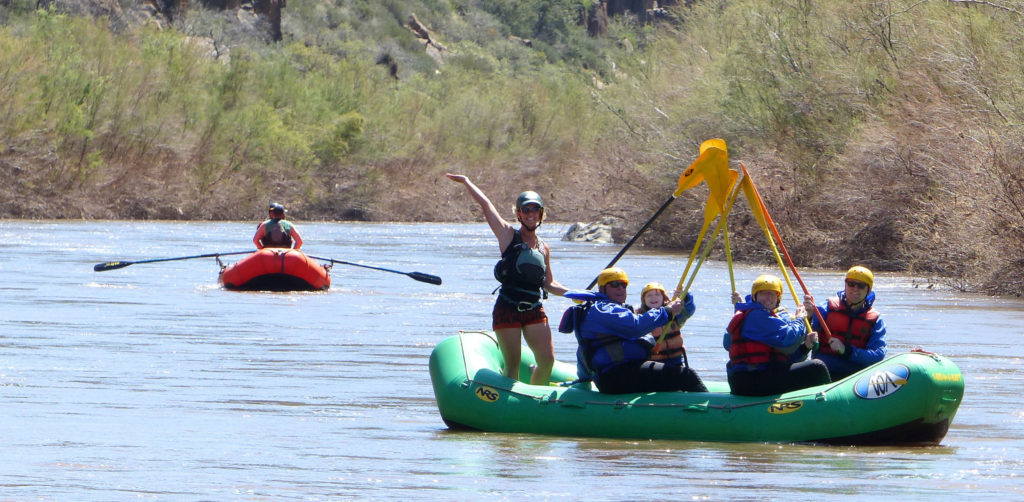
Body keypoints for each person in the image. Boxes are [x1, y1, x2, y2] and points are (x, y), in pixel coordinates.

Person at [446, 174, 568, 385]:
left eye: (535, 209)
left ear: (541, 213)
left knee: (547, 361)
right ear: (519, 213)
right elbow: (486, 205)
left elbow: (549, 284)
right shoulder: (507, 235)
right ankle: (512, 405)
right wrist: (467, 181)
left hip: (534, 309)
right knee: (512, 364)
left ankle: (535, 402)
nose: (531, 213)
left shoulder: (543, 247)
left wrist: (577, 295)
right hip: (508, 308)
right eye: (526, 209)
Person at [566, 268, 707, 394]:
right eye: (614, 284)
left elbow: (584, 350)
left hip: (623, 373)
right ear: (602, 288)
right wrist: (668, 311)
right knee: (687, 376)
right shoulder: (603, 309)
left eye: (624, 285)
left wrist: (584, 378)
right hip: (617, 376)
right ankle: (717, 412)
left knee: (674, 378)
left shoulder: (614, 309)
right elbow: (636, 327)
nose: (620, 288)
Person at [724, 275, 830, 397]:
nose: (768, 297)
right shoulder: (756, 316)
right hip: (751, 381)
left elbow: (781, 360)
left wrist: (805, 347)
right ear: (754, 296)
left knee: (809, 368)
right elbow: (788, 338)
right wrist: (800, 318)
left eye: (773, 294)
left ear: (778, 299)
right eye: (763, 293)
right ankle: (833, 407)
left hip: (755, 378)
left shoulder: (764, 317)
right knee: (817, 367)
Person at [803, 266, 888, 381]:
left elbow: (878, 354)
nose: (855, 288)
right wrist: (808, 316)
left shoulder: (875, 319)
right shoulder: (825, 308)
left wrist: (847, 351)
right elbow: (803, 334)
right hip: (824, 370)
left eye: (861, 285)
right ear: (845, 285)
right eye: (851, 283)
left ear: (868, 290)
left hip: (855, 377)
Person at [637, 282, 689, 367]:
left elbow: (689, 308)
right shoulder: (641, 318)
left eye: (657, 294)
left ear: (664, 298)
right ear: (644, 300)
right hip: (654, 364)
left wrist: (685, 297)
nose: (653, 298)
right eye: (649, 295)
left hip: (676, 362)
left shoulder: (675, 312)